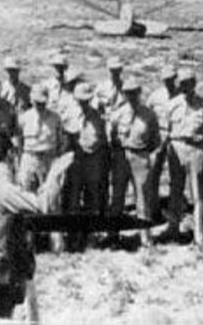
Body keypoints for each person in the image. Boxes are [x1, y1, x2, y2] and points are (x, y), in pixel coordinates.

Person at [165, 68, 203, 246]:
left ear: (194, 84)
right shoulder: (173, 104)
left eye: (188, 83)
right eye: (182, 84)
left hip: (196, 150)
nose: (185, 87)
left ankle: (199, 236)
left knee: (197, 194)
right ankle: (173, 229)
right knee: (175, 190)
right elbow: (167, 129)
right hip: (176, 148)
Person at [110, 78, 161, 247]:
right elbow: (112, 137)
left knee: (143, 198)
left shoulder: (149, 115)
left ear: (139, 93)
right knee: (118, 197)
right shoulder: (118, 114)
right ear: (123, 94)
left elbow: (155, 140)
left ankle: (145, 237)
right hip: (121, 157)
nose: (131, 96)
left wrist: (144, 153)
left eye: (134, 93)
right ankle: (113, 235)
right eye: (127, 93)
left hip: (140, 157)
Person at [65, 83, 109, 216]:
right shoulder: (69, 115)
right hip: (76, 160)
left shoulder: (98, 117)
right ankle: (74, 231)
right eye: (80, 100)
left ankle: (90, 230)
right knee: (74, 193)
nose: (83, 103)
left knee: (92, 193)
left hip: (93, 160)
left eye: (86, 101)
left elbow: (103, 140)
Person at [17, 85, 64, 192]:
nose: (40, 106)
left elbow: (60, 142)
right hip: (30, 157)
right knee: (26, 191)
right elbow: (19, 142)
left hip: (48, 158)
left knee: (50, 193)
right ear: (32, 100)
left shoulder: (55, 118)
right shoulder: (24, 118)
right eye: (37, 103)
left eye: (43, 103)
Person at [146, 64, 179, 211]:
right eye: (166, 79)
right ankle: (153, 208)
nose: (168, 82)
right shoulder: (156, 96)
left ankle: (174, 209)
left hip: (176, 137)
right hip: (159, 136)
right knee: (153, 172)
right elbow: (147, 114)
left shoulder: (182, 95)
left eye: (171, 79)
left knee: (176, 175)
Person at [93, 56, 126, 121]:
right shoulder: (101, 87)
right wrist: (100, 103)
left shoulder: (126, 87)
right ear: (108, 70)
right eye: (113, 70)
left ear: (121, 70)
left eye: (117, 70)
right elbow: (92, 103)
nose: (115, 73)